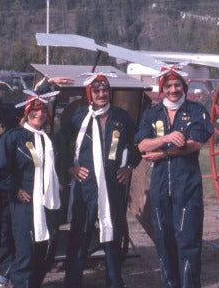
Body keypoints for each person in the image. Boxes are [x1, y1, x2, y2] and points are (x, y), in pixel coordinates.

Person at [0, 75, 72, 288]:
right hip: (25, 207)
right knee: (25, 256)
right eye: (34, 110)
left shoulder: (49, 140)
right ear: (26, 113)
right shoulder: (15, 137)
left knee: (45, 255)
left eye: (42, 110)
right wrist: (14, 188)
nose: (38, 113)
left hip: (48, 206)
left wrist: (58, 182)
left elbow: (58, 167)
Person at [58, 72, 141, 288]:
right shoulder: (78, 117)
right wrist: (70, 167)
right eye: (97, 91)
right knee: (80, 235)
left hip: (112, 185)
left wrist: (129, 166)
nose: (102, 94)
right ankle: (72, 283)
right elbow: (59, 144)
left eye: (105, 90)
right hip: (86, 186)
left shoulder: (121, 118)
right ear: (89, 94)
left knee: (112, 234)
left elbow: (137, 144)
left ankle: (114, 282)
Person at [135, 66, 213, 288]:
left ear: (185, 87)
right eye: (168, 86)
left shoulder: (196, 110)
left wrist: (164, 153)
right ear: (162, 89)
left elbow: (196, 143)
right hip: (160, 186)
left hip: (187, 185)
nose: (173, 89)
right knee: (164, 240)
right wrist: (167, 138)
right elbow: (142, 144)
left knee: (187, 241)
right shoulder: (152, 113)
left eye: (177, 85)